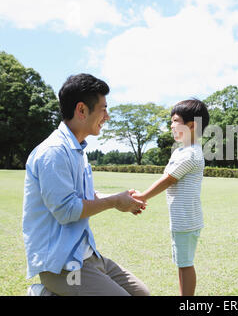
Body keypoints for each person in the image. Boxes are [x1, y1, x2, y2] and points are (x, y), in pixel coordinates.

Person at [23, 73, 150, 296]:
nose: (107, 116)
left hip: (87, 256)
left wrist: (123, 199)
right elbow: (66, 210)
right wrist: (114, 202)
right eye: (103, 109)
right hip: (61, 265)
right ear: (82, 110)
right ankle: (45, 292)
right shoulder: (53, 152)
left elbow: (85, 196)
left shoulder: (77, 150)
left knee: (141, 293)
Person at [132, 99, 209, 296]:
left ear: (191, 125)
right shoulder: (183, 151)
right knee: (182, 264)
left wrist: (142, 196)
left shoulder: (190, 154)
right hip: (182, 219)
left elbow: (168, 179)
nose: (171, 125)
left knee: (185, 265)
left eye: (175, 120)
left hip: (186, 220)